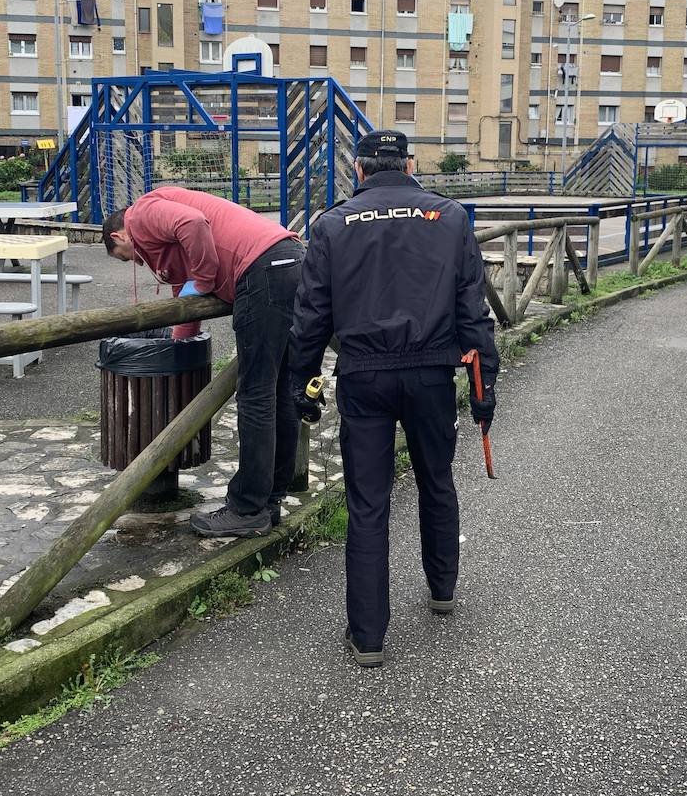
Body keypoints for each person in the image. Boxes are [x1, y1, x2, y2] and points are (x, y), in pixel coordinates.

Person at [290, 131, 499, 668]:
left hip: (364, 376)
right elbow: (472, 310)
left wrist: (303, 381)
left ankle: (368, 638)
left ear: (358, 170)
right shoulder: (450, 218)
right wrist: (484, 388)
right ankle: (442, 589)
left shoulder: (334, 225)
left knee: (368, 504)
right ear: (408, 164)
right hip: (431, 372)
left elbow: (311, 315)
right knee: (437, 479)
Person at [103, 188, 304, 538]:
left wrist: (207, 279)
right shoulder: (162, 233)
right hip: (288, 260)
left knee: (256, 396)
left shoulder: (143, 213)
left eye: (125, 256)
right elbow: (186, 285)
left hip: (260, 270)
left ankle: (247, 509)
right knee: (280, 391)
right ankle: (270, 499)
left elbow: (193, 225)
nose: (135, 263)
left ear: (119, 234)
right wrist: (178, 344)